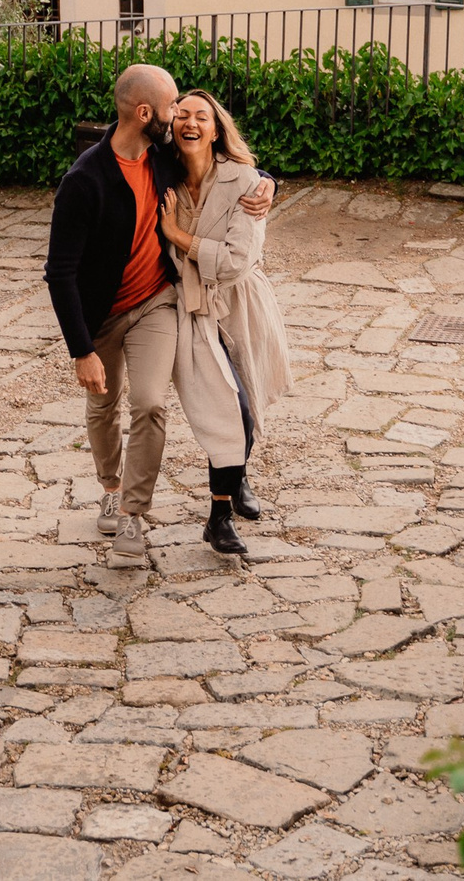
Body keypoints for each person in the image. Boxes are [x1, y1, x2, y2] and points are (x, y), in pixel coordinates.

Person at [44, 63, 271, 569]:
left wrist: (267, 183)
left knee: (149, 405)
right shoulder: (83, 182)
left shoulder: (163, 156)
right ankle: (110, 486)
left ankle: (132, 514)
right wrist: (81, 350)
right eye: (171, 108)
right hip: (101, 314)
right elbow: (59, 273)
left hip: (155, 302)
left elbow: (217, 160)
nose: (177, 119)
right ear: (144, 113)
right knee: (104, 406)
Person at [157, 89, 293, 556]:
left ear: (217, 131)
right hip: (191, 308)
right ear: (172, 127)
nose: (191, 123)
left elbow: (235, 261)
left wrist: (177, 234)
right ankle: (218, 518)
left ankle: (238, 479)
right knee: (226, 410)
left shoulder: (246, 184)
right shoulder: (161, 178)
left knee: (248, 412)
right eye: (182, 116)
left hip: (239, 303)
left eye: (202, 116)